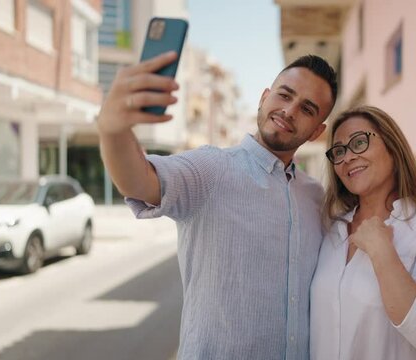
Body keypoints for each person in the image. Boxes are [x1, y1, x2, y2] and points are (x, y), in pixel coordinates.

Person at [96, 52, 337, 360]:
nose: (289, 111)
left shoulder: (315, 196)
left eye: (307, 108)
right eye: (284, 95)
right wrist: (112, 130)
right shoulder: (212, 168)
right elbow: (139, 180)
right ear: (264, 98)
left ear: (317, 131)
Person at [310, 106, 416, 360]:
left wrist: (383, 252)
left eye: (359, 142)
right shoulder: (330, 229)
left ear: (392, 147)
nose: (347, 157)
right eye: (339, 151)